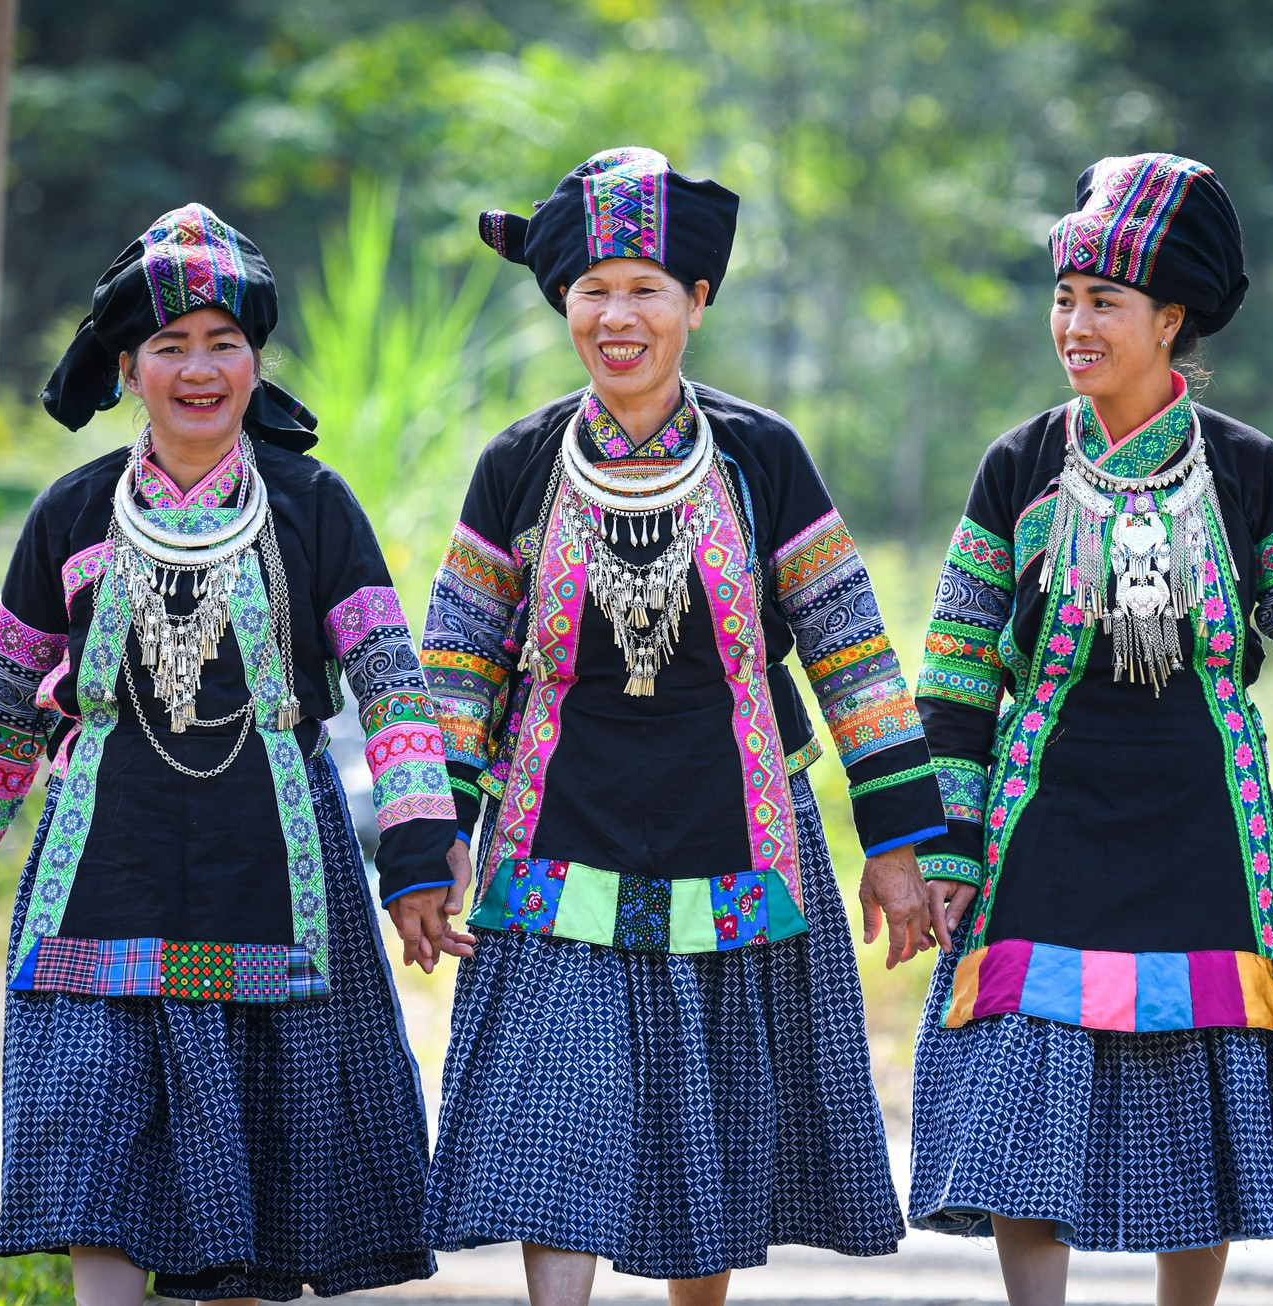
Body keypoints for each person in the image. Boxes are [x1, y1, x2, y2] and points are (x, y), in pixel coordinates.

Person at [0, 203, 466, 1300]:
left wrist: (414, 860)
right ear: (127, 367)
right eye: (170, 345)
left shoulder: (314, 507)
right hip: (98, 877)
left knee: (254, 1185)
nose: (198, 368)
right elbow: (1, 711)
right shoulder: (70, 514)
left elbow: (393, 689)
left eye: (223, 342)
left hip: (276, 877)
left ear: (257, 361)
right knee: (93, 1149)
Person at [419, 146, 945, 1306]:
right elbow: (456, 672)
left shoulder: (763, 458)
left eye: (646, 287)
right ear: (564, 304)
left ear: (696, 303)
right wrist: (429, 842)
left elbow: (853, 655)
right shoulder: (516, 465)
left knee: (698, 1144)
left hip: (734, 839)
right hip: (555, 839)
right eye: (593, 288)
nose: (618, 314)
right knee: (556, 1126)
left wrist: (899, 842)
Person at [906, 152, 1273, 1306]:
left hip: (1205, 823)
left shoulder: (1248, 471)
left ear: (1170, 318)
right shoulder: (1019, 467)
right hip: (1040, 820)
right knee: (1025, 1097)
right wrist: (943, 844)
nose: (1075, 323)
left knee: (1198, 1083)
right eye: (1063, 297)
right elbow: (951, 671)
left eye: (1104, 301)